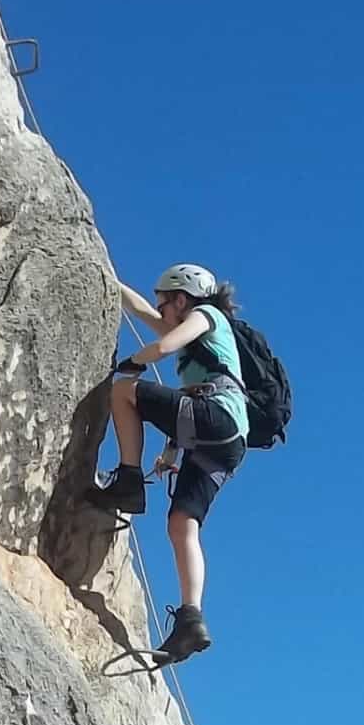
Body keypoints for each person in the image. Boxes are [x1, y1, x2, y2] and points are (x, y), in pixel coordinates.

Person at [91, 263, 247, 663]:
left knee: (123, 391)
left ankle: (127, 480)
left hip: (218, 417)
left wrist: (132, 364)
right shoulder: (203, 344)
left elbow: (162, 346)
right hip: (225, 442)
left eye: (166, 305)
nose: (161, 313)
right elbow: (146, 314)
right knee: (182, 524)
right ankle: (191, 619)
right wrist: (110, 277)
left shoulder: (205, 316)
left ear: (182, 298)